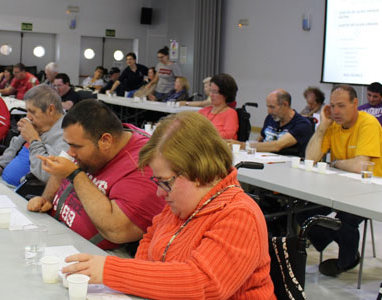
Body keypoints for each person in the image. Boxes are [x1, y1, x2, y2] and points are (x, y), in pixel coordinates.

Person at [61, 111, 274, 299]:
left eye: (165, 181)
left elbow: (202, 283)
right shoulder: (183, 203)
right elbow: (149, 240)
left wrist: (111, 271)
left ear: (197, 172)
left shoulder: (239, 214)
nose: (159, 192)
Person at [26, 99, 165, 251]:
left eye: (76, 146)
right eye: (68, 144)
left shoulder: (144, 166)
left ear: (106, 141)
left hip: (91, 257)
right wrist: (47, 198)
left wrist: (75, 174)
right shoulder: (85, 142)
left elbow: (116, 231)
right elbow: (63, 165)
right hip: (53, 233)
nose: (70, 152)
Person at [303, 84, 382, 276]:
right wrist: (322, 126)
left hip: (371, 190)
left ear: (355, 103)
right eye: (332, 106)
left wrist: (336, 163)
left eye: (341, 105)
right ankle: (341, 241)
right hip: (339, 188)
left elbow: (361, 166)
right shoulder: (333, 125)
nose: (335, 111)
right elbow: (310, 158)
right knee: (303, 211)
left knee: (344, 220)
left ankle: (348, 261)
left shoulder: (368, 123)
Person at [0, 85, 67, 187]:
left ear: (50, 109)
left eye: (32, 112)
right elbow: (13, 147)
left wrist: (34, 140)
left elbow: (47, 175)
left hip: (21, 193)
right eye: (27, 111)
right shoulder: (38, 124)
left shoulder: (66, 136)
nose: (28, 117)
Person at [230, 89, 314, 157]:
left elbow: (277, 145)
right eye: (268, 107)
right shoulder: (271, 118)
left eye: (272, 107)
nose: (269, 111)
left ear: (285, 105)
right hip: (264, 160)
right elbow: (259, 140)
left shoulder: (302, 124)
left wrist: (242, 145)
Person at [198, 73, 239, 140]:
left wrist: (203, 134)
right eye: (210, 91)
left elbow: (227, 136)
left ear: (225, 94)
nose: (211, 95)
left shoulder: (230, 113)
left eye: (215, 92)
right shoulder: (202, 111)